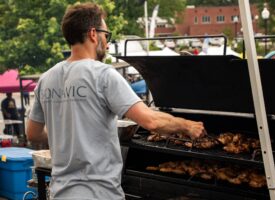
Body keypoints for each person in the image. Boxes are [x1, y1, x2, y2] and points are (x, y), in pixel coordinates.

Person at [26, 3, 205, 200]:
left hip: (60, 193)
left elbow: (32, 133)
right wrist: (187, 125)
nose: (107, 43)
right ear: (93, 34)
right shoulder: (103, 75)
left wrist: (66, 134)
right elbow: (150, 121)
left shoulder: (47, 78)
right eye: (106, 35)